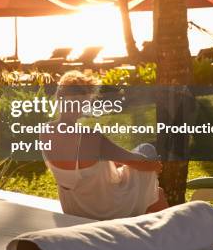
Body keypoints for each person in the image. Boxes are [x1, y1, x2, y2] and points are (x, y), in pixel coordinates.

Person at [41, 70, 169, 220]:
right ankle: (171, 233)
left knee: (156, 192)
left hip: (74, 207)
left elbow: (84, 167)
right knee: (147, 151)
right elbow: (140, 163)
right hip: (106, 209)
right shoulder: (90, 137)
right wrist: (155, 166)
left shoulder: (45, 132)